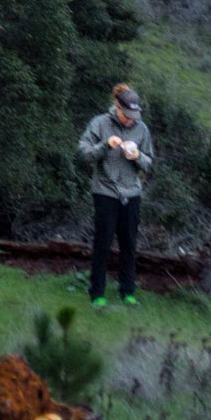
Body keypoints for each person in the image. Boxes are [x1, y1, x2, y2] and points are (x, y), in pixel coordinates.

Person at [77, 83, 155, 308]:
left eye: (134, 115)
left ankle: (128, 292)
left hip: (132, 193)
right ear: (116, 107)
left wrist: (137, 156)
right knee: (102, 244)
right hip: (105, 192)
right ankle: (97, 294)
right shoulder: (99, 123)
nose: (130, 120)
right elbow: (83, 153)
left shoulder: (142, 129)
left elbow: (149, 162)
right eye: (127, 115)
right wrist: (105, 145)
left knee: (129, 245)